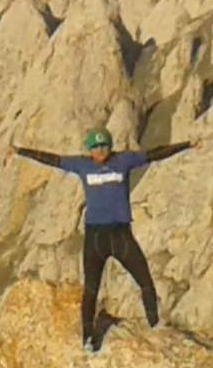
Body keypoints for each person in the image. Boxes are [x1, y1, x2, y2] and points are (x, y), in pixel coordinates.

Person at [13, 128, 193, 352]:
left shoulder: (124, 160)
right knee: (91, 289)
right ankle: (88, 339)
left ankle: (154, 324)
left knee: (145, 279)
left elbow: (155, 154)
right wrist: (21, 151)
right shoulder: (82, 164)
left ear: (110, 146)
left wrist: (187, 144)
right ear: (89, 149)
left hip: (121, 234)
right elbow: (53, 160)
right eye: (95, 147)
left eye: (104, 146)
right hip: (95, 237)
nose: (100, 150)